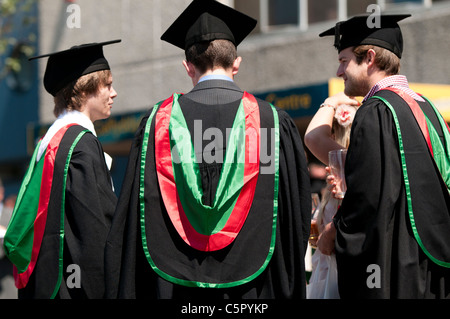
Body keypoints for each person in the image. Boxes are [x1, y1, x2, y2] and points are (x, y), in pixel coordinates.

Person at [105, 0, 311, 299]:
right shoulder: (272, 123)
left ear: (187, 65)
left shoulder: (157, 124)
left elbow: (135, 216)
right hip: (254, 291)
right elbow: (296, 214)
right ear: (236, 63)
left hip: (177, 287)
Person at [318, 14, 450, 298]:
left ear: (369, 58)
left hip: (398, 269)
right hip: (436, 264)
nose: (339, 71)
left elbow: (368, 199)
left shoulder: (377, 111)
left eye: (343, 61)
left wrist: (334, 233)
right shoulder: (429, 109)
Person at [3, 40, 120, 299]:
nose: (114, 93)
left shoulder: (51, 141)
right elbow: (93, 229)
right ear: (85, 89)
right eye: (108, 85)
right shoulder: (81, 145)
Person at [304, 97, 358, 299]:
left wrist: (331, 101)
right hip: (327, 273)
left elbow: (313, 137)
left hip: (337, 276)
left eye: (332, 133)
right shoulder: (340, 174)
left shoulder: (347, 164)